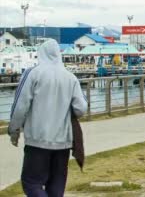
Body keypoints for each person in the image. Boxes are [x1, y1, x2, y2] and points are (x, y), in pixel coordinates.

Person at [8, 39, 87, 196]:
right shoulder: (70, 77)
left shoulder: (33, 74)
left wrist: (14, 130)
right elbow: (81, 108)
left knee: (31, 182)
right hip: (62, 142)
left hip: (37, 139)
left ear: (40, 54)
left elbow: (20, 107)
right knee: (56, 186)